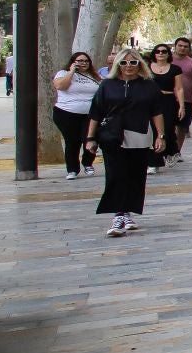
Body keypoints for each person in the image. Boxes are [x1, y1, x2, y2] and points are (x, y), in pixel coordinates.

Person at [85, 49, 165, 237]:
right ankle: (118, 215)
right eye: (124, 63)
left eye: (133, 62)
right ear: (117, 65)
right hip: (112, 136)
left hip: (139, 134)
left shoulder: (149, 86)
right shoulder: (107, 85)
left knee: (135, 175)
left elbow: (157, 112)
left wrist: (160, 136)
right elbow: (95, 112)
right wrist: (90, 138)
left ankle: (128, 212)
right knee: (115, 174)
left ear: (140, 64)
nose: (128, 66)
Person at [52, 51, 102, 178]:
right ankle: (72, 169)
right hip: (66, 113)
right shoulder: (63, 73)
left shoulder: (94, 76)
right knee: (72, 141)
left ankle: (88, 163)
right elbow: (60, 86)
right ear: (73, 62)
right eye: (79, 61)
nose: (83, 63)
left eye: (86, 61)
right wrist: (71, 72)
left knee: (90, 139)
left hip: (90, 114)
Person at [146, 44, 182, 169]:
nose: (160, 53)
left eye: (164, 51)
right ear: (154, 53)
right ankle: (154, 161)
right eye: (158, 51)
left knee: (167, 128)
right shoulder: (146, 68)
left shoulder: (175, 69)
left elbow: (179, 88)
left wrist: (181, 106)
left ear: (168, 54)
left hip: (168, 101)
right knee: (153, 130)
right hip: (150, 102)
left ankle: (170, 151)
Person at [171, 37, 192, 159]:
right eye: (180, 45)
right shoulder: (167, 60)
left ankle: (176, 152)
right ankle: (166, 150)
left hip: (187, 100)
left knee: (182, 127)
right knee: (167, 126)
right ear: (175, 46)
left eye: (185, 46)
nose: (182, 48)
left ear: (189, 49)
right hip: (168, 99)